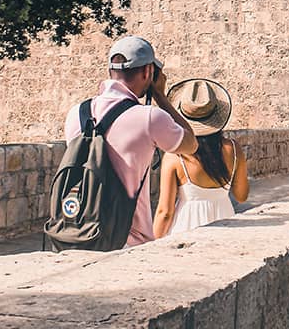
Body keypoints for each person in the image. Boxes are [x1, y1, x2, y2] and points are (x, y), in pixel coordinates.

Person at [62, 36, 198, 247]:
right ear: (148, 72)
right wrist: (161, 97)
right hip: (127, 241)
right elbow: (191, 144)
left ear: (110, 71)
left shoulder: (76, 114)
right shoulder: (150, 118)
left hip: (77, 234)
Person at [154, 79, 250, 238]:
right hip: (225, 219)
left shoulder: (175, 156)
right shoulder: (233, 149)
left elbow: (165, 212)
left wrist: (153, 244)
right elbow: (241, 196)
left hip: (187, 225)